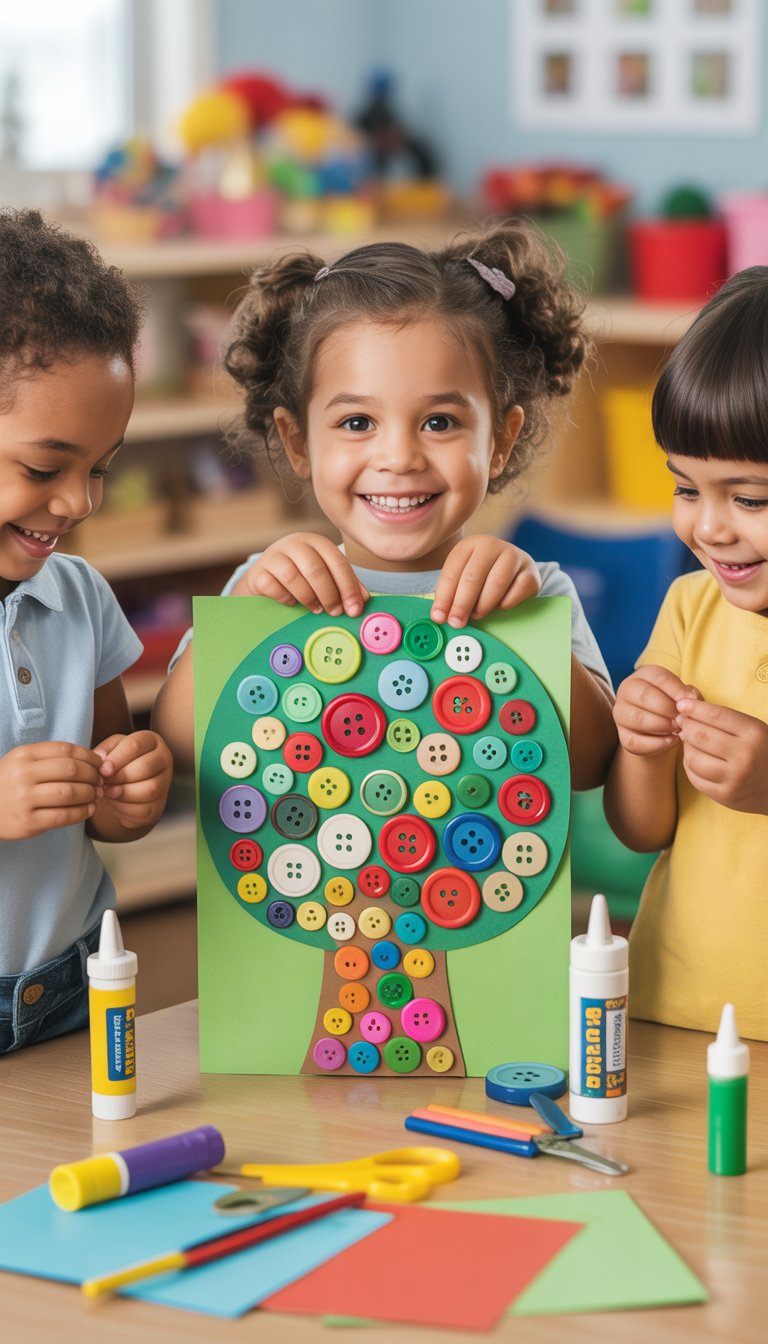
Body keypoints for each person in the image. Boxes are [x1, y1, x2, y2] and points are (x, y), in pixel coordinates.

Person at [154, 221, 616, 791]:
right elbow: (177, 743)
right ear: (298, 442)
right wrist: (248, 609)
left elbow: (594, 766)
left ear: (500, 440)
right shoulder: (266, 585)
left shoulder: (534, 590)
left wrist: (520, 627)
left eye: (439, 422)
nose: (398, 457)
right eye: (357, 423)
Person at [0, 210, 173, 1053]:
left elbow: (107, 817)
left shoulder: (78, 597)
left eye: (100, 467)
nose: (80, 502)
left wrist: (129, 794)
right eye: (44, 468)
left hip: (73, 985)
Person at [604, 266, 768, 1041]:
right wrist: (639, 747)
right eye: (685, 488)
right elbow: (643, 830)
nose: (710, 528)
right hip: (674, 1015)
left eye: (751, 499)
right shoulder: (690, 606)